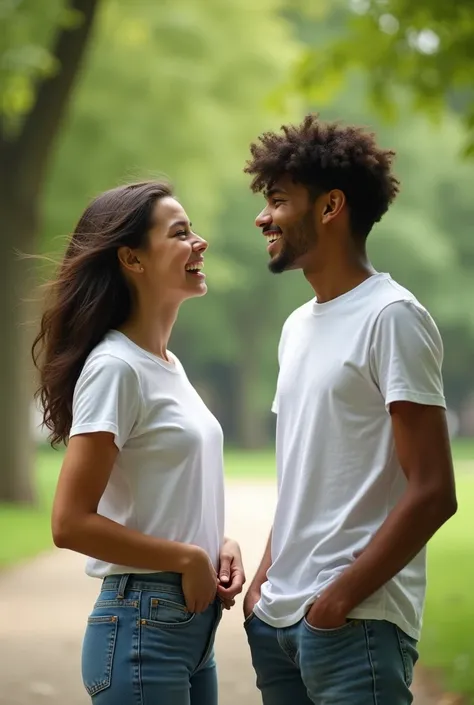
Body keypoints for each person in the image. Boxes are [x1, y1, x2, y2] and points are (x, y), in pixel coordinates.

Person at [241, 115, 457, 705]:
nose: (264, 217)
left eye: (279, 200)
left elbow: (434, 490)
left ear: (331, 206)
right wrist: (263, 585)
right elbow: (303, 476)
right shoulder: (296, 328)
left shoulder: (393, 317)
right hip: (279, 622)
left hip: (353, 626)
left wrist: (337, 600)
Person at [32, 180, 244, 705]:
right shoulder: (115, 367)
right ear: (132, 258)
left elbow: (158, 495)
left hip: (189, 630)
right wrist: (185, 558)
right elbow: (69, 522)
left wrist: (216, 544)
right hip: (142, 630)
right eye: (180, 233)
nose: (200, 243)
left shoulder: (167, 367)